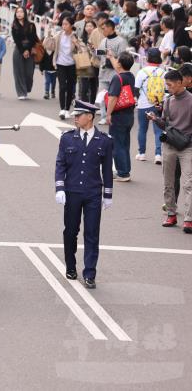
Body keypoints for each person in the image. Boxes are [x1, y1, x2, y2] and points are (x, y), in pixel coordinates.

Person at [54, 100, 113, 289]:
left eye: (78, 115)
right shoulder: (67, 138)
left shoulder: (104, 140)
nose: (75, 118)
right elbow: (60, 164)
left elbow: (107, 169)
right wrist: (60, 188)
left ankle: (90, 273)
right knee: (70, 231)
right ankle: (70, 266)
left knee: (92, 233)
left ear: (89, 117)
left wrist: (108, 194)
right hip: (72, 192)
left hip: (93, 192)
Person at [148, 70, 192, 231]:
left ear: (180, 83)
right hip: (169, 145)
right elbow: (166, 124)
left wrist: (186, 138)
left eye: (170, 84)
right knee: (168, 183)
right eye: (167, 84)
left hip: (188, 147)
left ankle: (189, 219)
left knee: (189, 183)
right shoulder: (167, 101)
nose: (168, 87)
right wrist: (155, 119)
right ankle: (171, 214)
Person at [104, 52, 137, 182]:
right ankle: (124, 170)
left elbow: (113, 98)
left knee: (117, 144)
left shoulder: (117, 78)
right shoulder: (131, 76)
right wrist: (112, 57)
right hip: (129, 114)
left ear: (120, 63)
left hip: (118, 115)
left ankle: (123, 173)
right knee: (124, 144)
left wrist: (108, 114)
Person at [134, 48, 165, 165]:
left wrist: (138, 99)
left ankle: (142, 154)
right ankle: (158, 155)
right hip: (158, 105)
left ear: (148, 58)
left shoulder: (142, 72)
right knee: (158, 131)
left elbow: (136, 89)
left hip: (143, 105)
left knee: (142, 129)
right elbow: (166, 90)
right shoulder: (163, 72)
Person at [47, 15, 81, 119]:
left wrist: (77, 43)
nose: (64, 26)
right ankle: (62, 109)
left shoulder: (75, 36)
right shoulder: (58, 35)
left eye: (66, 24)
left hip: (72, 64)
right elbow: (49, 46)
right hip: (60, 63)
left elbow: (81, 50)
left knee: (70, 87)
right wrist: (49, 34)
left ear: (71, 25)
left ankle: (67, 109)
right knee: (62, 86)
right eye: (63, 24)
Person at [10, 7, 39, 99]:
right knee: (18, 72)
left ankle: (26, 88)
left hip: (30, 50)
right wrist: (23, 51)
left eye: (21, 12)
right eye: (17, 12)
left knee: (29, 73)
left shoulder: (31, 25)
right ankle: (21, 93)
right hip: (19, 50)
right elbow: (16, 40)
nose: (19, 14)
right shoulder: (14, 25)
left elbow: (33, 39)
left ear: (25, 13)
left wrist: (28, 50)